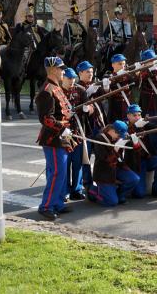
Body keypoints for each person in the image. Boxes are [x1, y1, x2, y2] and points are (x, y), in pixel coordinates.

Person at [35, 56, 73, 220]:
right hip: (53, 139)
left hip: (60, 137)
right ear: (53, 70)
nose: (63, 71)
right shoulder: (47, 91)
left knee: (61, 173)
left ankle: (57, 202)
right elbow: (46, 119)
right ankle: (46, 206)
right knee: (57, 173)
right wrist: (62, 126)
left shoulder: (56, 87)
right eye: (61, 68)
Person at [87, 120, 140, 206]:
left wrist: (136, 143)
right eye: (118, 135)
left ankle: (119, 195)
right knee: (111, 202)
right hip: (104, 173)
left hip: (117, 168)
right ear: (111, 130)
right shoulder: (100, 138)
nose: (119, 137)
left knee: (134, 179)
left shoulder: (118, 138)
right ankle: (94, 191)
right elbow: (104, 159)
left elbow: (136, 152)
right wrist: (115, 149)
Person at [124, 104, 157, 199]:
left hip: (148, 159)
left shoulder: (145, 124)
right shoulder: (124, 126)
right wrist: (136, 126)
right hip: (136, 163)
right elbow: (124, 135)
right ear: (128, 116)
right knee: (139, 194)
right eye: (134, 115)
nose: (137, 117)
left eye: (139, 115)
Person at [75, 60, 106, 191]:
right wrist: (87, 92)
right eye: (87, 72)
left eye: (92, 72)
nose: (90, 74)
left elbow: (104, 96)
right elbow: (78, 104)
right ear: (80, 73)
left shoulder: (95, 85)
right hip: (86, 126)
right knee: (86, 157)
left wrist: (106, 87)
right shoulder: (76, 87)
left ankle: (101, 180)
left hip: (98, 124)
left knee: (101, 154)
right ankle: (86, 183)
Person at [61, 68, 90, 201]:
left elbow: (88, 109)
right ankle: (65, 190)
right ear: (63, 78)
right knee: (66, 163)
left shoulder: (81, 90)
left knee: (77, 162)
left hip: (78, 130)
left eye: (73, 78)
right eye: (69, 78)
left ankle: (76, 189)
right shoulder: (58, 91)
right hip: (64, 132)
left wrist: (86, 109)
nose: (72, 81)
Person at [103, 54, 138, 121]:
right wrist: (118, 75)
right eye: (120, 64)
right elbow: (107, 91)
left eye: (124, 64)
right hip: (115, 109)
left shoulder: (127, 75)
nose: (122, 66)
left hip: (127, 106)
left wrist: (137, 72)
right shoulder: (108, 76)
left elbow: (136, 84)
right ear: (113, 65)